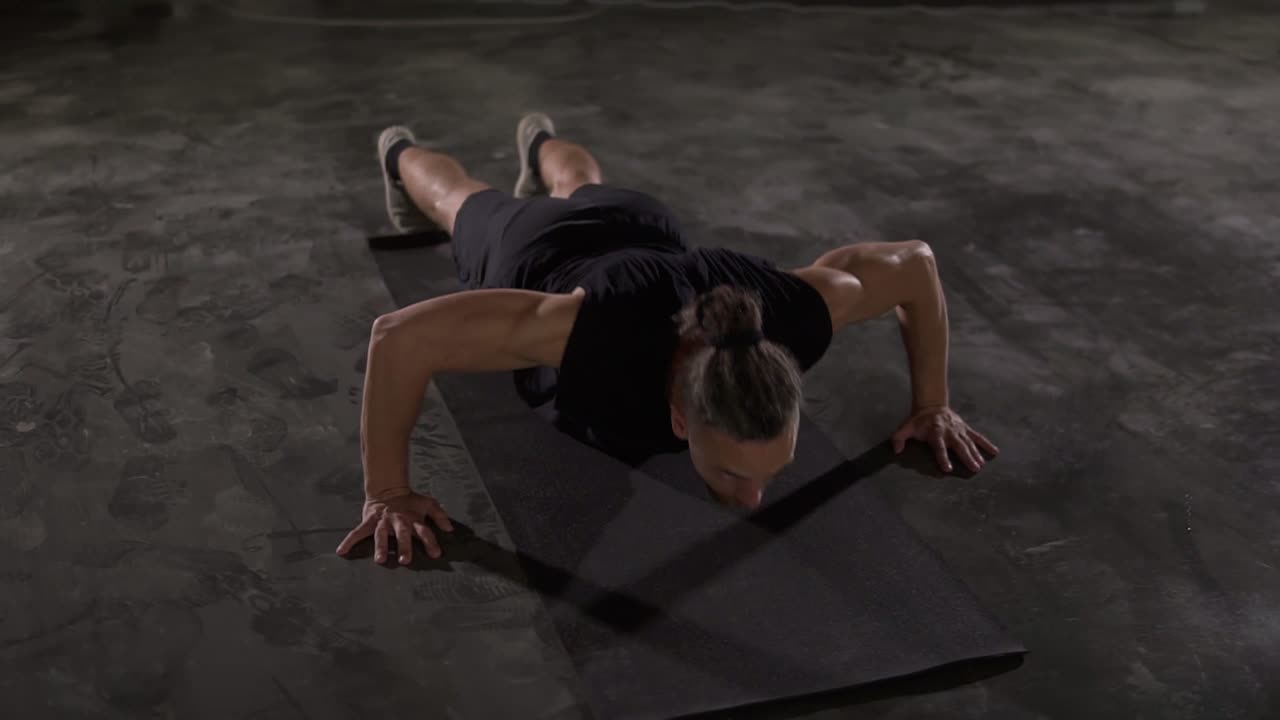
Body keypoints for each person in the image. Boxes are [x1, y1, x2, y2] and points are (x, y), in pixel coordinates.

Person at [336, 113, 999, 566]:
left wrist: (933, 402)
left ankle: (541, 140)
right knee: (458, 199)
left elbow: (914, 264)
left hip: (644, 225)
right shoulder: (587, 332)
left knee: (584, 186)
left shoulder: (791, 315)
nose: (753, 499)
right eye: (736, 473)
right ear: (679, 414)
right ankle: (397, 150)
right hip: (538, 249)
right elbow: (400, 339)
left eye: (768, 472)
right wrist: (388, 492)